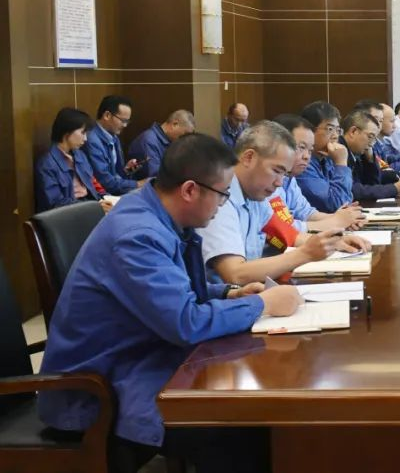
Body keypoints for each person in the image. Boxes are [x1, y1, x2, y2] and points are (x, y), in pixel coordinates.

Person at [38, 133, 303, 473]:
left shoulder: (156, 213)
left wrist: (229, 293)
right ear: (190, 190)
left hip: (141, 359)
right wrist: (262, 305)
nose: (223, 205)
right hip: (100, 388)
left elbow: (178, 290)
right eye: (222, 195)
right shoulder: (137, 236)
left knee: (255, 416)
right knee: (242, 431)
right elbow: (185, 323)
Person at [199, 121, 370, 284]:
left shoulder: (256, 195)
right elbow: (235, 274)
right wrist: (305, 254)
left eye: (285, 174)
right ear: (249, 157)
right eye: (276, 171)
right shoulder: (219, 198)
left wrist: (332, 243)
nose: (280, 183)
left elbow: (290, 235)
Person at [267, 114, 365, 247]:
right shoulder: (268, 180)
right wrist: (333, 222)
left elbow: (306, 212)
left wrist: (343, 218)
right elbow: (283, 228)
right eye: (301, 147)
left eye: (310, 150)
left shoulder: (289, 178)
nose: (307, 156)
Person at [34, 108, 107, 213]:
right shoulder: (46, 164)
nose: (85, 139)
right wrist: (94, 208)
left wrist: (106, 199)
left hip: (90, 206)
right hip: (71, 214)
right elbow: (55, 204)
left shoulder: (80, 155)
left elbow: (93, 184)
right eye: (82, 133)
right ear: (67, 132)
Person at [342, 110, 400, 201]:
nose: (371, 144)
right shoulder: (339, 152)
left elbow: (372, 183)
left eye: (374, 139)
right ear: (353, 131)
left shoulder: (357, 153)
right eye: (370, 137)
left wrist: (370, 160)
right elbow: (354, 191)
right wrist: (393, 189)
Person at [296, 101, 353, 212]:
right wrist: (341, 163)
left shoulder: (327, 159)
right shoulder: (302, 164)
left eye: (338, 130)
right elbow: (335, 205)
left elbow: (347, 199)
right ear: (310, 130)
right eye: (330, 129)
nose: (335, 136)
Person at [85, 95, 143, 195]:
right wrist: (138, 184)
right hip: (103, 196)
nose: (125, 125)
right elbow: (105, 182)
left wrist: (126, 170)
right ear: (107, 115)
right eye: (123, 121)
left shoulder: (113, 136)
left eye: (127, 121)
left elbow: (115, 174)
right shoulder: (92, 140)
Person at [128, 109, 195, 179]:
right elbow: (155, 176)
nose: (185, 138)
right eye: (185, 134)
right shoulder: (148, 141)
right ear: (175, 124)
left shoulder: (170, 140)